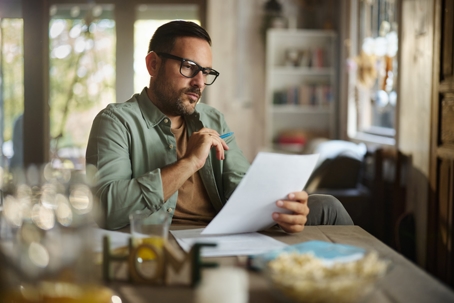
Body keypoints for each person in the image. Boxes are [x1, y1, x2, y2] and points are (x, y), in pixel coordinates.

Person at [86, 20, 353, 231]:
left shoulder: (212, 119)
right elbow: (107, 209)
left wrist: (284, 210)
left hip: (228, 228)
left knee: (327, 206)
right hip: (167, 235)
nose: (200, 83)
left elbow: (240, 185)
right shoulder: (116, 122)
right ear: (153, 64)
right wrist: (189, 162)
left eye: (207, 72)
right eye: (189, 67)